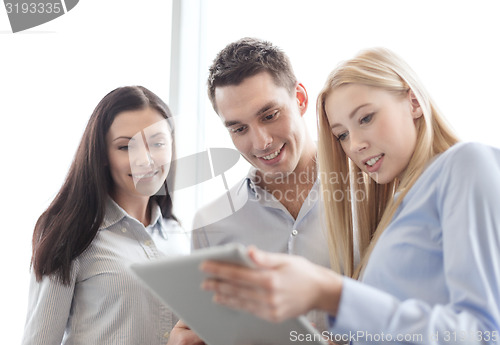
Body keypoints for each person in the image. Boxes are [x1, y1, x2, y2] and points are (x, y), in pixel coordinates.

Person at [200, 48, 500, 344]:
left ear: (413, 101)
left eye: (366, 118)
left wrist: (332, 293)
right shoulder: (394, 205)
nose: (354, 145)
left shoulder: (466, 163)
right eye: (341, 134)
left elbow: (486, 333)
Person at [22, 86, 204, 345]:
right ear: (103, 154)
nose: (145, 160)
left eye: (157, 143)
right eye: (125, 147)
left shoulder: (178, 235)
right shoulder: (71, 232)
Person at [191, 37, 332, 331]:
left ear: (301, 99)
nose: (261, 142)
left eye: (270, 115)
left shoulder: (372, 188)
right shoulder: (210, 225)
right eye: (239, 129)